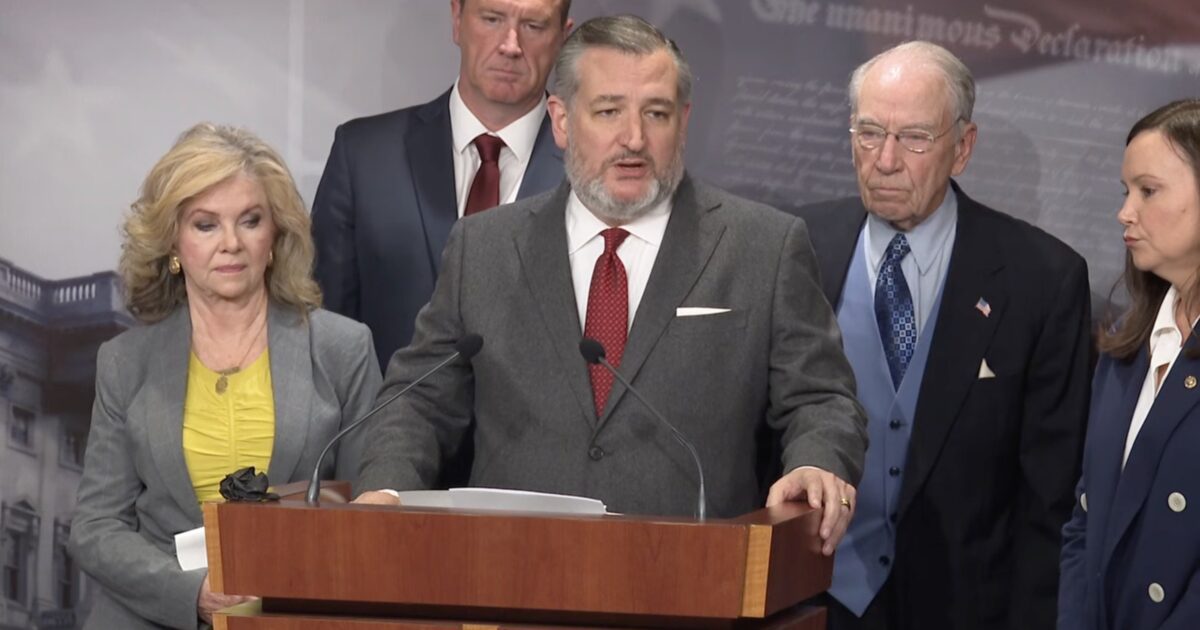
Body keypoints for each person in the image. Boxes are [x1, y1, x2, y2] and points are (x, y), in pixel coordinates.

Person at [354, 14, 867, 547]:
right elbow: (417, 400)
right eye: (608, 111)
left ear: (684, 121)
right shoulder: (483, 248)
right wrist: (386, 488)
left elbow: (821, 399)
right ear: (561, 119)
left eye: (657, 113)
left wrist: (816, 462)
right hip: (509, 577)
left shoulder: (764, 246)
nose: (634, 139)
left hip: (691, 579)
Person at [791, 41, 1091, 629]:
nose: (885, 159)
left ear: (963, 148)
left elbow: (1048, 501)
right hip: (809, 602)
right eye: (870, 132)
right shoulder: (796, 244)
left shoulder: (1042, 279)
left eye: (915, 138)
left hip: (962, 609)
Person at [69, 123, 381, 630]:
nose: (231, 244)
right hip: (150, 616)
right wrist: (192, 593)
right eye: (206, 225)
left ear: (275, 234)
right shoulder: (125, 362)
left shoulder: (342, 349)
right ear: (173, 241)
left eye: (250, 220)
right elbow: (96, 526)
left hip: (294, 615)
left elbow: (369, 511)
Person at [312, 0, 573, 370]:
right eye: (492, 18)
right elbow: (326, 329)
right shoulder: (363, 156)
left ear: (563, 36)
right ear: (456, 19)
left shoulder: (593, 173)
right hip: (388, 422)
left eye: (533, 25)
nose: (511, 45)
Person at [1059, 99, 1200, 630]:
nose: (1125, 211)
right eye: (1126, 192)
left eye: (1149, 190)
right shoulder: (1123, 348)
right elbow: (1084, 523)